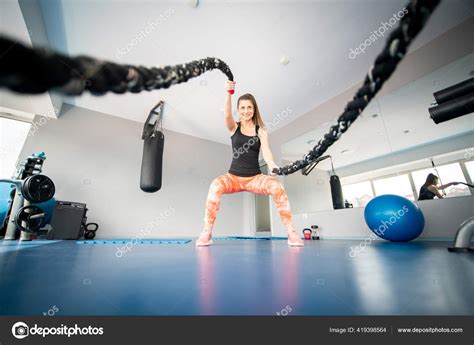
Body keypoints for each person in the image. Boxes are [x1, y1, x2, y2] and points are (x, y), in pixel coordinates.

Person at [196, 81, 304, 246]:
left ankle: (291, 232)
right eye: (243, 107)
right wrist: (228, 93)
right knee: (215, 186)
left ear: (254, 110)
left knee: (277, 187)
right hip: (233, 177)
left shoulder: (261, 130)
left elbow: (266, 150)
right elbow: (226, 115)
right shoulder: (234, 127)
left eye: (249, 107)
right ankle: (207, 231)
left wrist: (272, 164)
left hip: (255, 178)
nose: (246, 111)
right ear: (238, 110)